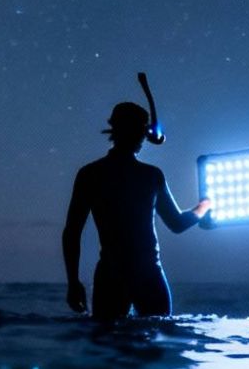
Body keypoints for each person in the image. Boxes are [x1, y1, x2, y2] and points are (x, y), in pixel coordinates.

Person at [62, 101, 210, 320]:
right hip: (147, 272)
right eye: (141, 130)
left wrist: (73, 282)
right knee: (157, 334)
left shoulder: (90, 174)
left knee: (107, 338)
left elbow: (72, 232)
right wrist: (204, 206)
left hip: (111, 273)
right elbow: (177, 223)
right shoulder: (150, 175)